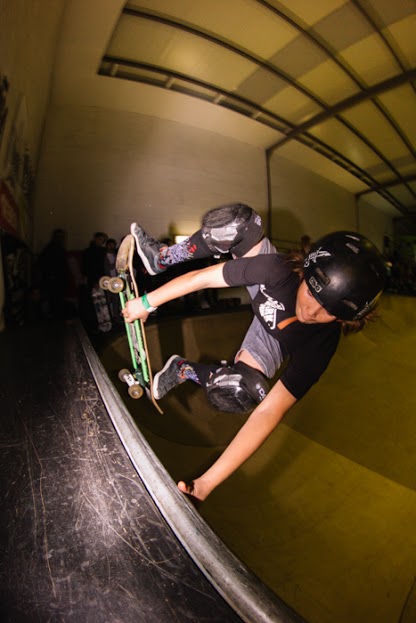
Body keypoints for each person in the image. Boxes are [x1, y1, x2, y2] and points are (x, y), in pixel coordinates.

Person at [122, 204, 386, 503]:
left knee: (241, 391)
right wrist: (148, 302)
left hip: (272, 340)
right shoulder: (277, 270)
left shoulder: (320, 346)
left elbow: (268, 412)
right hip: (266, 287)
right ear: (305, 272)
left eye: (329, 312)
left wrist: (207, 483)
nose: (310, 312)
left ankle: (181, 370)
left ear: (345, 319)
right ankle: (162, 257)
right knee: (237, 224)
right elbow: (204, 278)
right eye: (311, 293)